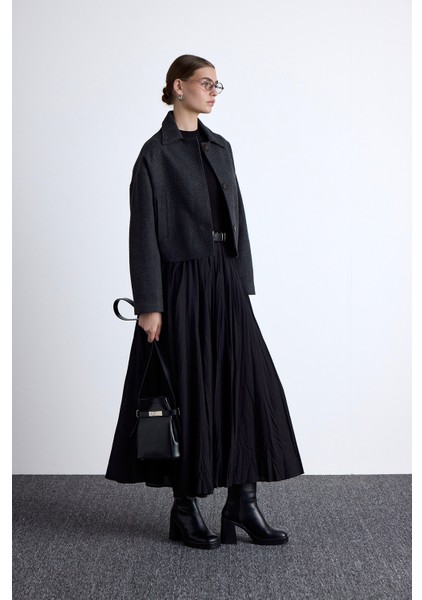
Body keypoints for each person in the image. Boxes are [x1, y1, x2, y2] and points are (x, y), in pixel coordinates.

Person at [105, 54, 304, 549]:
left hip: (224, 279)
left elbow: (239, 218)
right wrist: (150, 303)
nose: (214, 91)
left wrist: (242, 281)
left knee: (245, 385)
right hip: (180, 283)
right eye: (205, 83)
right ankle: (185, 508)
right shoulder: (154, 154)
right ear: (178, 87)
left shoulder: (221, 147)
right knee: (188, 390)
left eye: (217, 85)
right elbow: (142, 232)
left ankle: (243, 502)